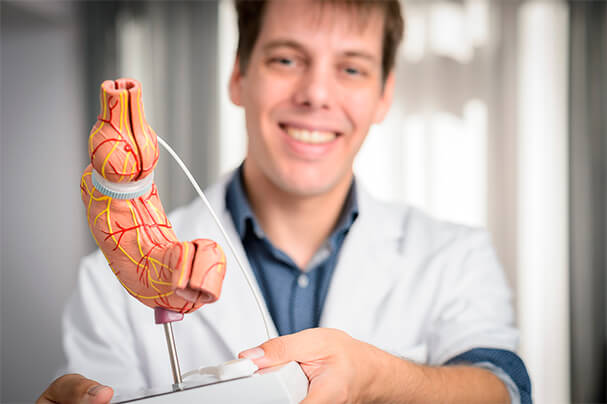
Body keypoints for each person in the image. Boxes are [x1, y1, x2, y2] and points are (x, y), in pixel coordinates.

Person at [37, 1, 531, 403]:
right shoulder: (107, 283)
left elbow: (503, 388)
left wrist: (383, 381)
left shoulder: (454, 255)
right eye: (286, 60)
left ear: (384, 95)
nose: (316, 93)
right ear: (238, 77)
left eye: (352, 68)